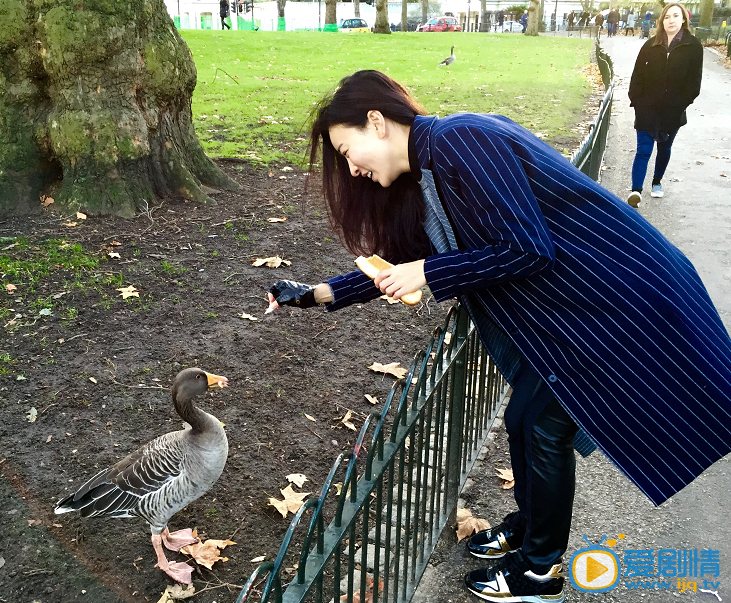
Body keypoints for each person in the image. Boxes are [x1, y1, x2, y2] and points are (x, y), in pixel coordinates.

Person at [266, 69, 731, 603]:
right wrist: (318, 293)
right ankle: (532, 529)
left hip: (624, 294)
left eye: (348, 151)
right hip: (583, 308)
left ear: (377, 122)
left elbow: (527, 247)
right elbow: (396, 264)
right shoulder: (431, 173)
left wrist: (430, 274)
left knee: (542, 427)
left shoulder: (461, 138)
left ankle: (539, 570)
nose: (352, 168)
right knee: (526, 419)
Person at [626, 2, 703, 207]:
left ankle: (657, 182)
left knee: (664, 148)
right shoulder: (650, 45)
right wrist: (637, 101)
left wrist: (680, 104)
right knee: (643, 149)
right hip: (646, 108)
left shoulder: (693, 46)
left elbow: (694, 83)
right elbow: (637, 77)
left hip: (673, 111)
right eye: (667, 17)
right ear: (662, 21)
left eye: (676, 16)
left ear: (683, 19)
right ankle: (636, 191)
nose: (671, 20)